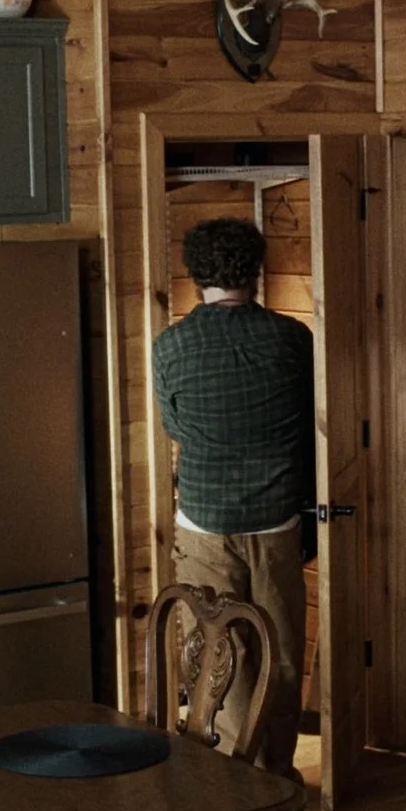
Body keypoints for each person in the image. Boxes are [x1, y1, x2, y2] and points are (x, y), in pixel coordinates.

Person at [151, 216, 315, 777]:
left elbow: (176, 427)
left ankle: (224, 773)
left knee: (215, 650)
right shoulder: (294, 340)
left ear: (195, 274)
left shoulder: (171, 344)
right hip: (276, 519)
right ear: (258, 269)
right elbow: (307, 426)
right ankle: (276, 768)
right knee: (283, 652)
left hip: (203, 520)